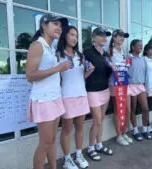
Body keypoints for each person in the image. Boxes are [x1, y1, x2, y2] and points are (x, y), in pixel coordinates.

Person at [26, 14, 69, 169]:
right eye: (55, 24)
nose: (59, 28)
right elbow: (29, 76)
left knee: (51, 140)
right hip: (43, 100)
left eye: (60, 25)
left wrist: (60, 68)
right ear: (44, 25)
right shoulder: (37, 45)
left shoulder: (51, 48)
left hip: (55, 97)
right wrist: (57, 68)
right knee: (44, 143)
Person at [57, 26, 93, 169]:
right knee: (66, 130)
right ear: (65, 36)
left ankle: (78, 154)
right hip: (67, 96)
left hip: (81, 95)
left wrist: (86, 75)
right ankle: (67, 159)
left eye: (76, 36)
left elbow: (87, 71)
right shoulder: (58, 54)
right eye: (71, 34)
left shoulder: (80, 55)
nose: (74, 38)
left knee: (80, 128)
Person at [83, 27, 113, 161]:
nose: (104, 38)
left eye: (105, 36)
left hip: (105, 90)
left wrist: (116, 69)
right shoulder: (87, 52)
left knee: (101, 120)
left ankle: (99, 144)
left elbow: (108, 71)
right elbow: (83, 71)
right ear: (94, 37)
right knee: (97, 120)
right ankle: (90, 148)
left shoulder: (106, 54)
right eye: (101, 35)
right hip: (92, 90)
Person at [107, 29, 133, 146]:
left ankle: (124, 132)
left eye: (124, 36)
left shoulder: (122, 51)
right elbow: (107, 67)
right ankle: (119, 135)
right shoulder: (109, 51)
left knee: (127, 109)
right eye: (121, 36)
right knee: (118, 110)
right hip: (115, 84)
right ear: (114, 36)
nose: (122, 38)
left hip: (124, 83)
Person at [127, 39, 152, 141]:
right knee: (133, 109)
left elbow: (146, 75)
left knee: (145, 108)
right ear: (133, 47)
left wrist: (147, 89)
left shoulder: (143, 59)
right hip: (131, 86)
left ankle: (145, 129)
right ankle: (135, 130)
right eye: (139, 45)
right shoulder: (128, 59)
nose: (141, 47)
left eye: (141, 45)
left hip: (141, 86)